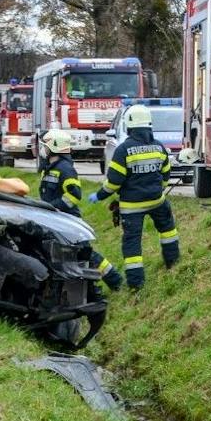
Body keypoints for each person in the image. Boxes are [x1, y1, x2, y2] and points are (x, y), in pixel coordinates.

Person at [85, 104, 178, 290]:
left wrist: (100, 195)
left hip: (132, 206)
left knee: (132, 244)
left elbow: (113, 183)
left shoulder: (123, 150)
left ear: (129, 125)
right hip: (157, 201)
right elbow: (166, 174)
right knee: (168, 232)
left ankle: (136, 285)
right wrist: (158, 190)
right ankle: (173, 264)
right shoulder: (159, 147)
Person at [38, 128, 121, 290]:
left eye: (45, 146)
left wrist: (53, 207)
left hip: (68, 220)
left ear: (54, 147)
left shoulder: (65, 169)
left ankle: (114, 280)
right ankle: (87, 287)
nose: (43, 149)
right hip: (55, 220)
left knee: (85, 253)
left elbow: (74, 195)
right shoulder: (49, 168)